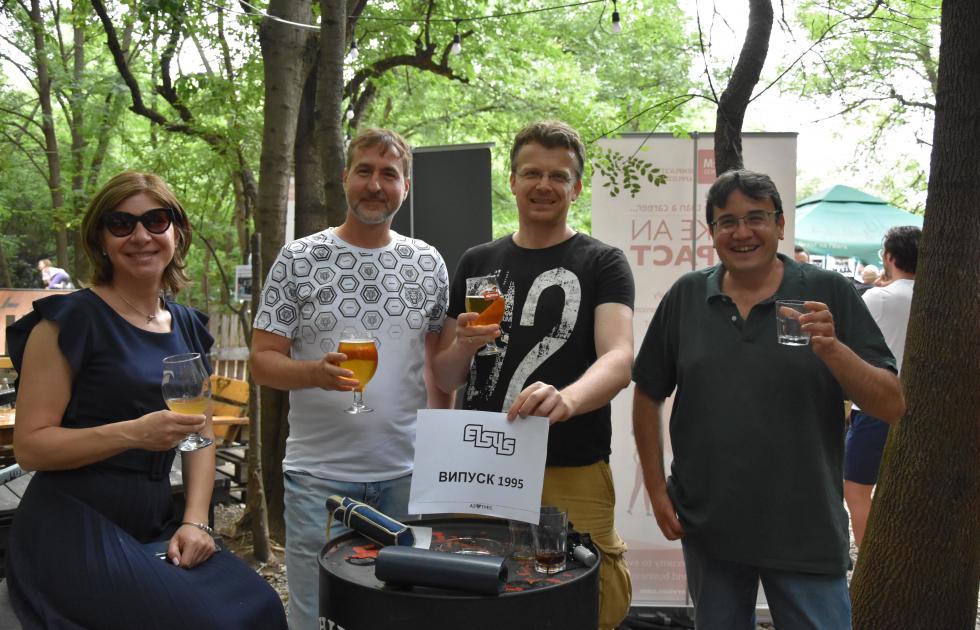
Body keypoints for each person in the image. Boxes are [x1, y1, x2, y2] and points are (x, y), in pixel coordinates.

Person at [5, 171, 286, 629]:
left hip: (156, 521)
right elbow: (31, 448)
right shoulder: (67, 322)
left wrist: (195, 521)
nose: (140, 236)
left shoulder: (188, 325)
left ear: (177, 232)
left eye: (156, 221)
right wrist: (133, 434)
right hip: (73, 524)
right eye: (121, 223)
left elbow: (199, 431)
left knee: (262, 607)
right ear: (100, 239)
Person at [632, 169, 905, 629]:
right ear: (712, 232)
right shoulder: (687, 296)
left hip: (805, 528)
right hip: (711, 526)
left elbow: (891, 405)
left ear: (780, 224)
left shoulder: (826, 291)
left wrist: (834, 351)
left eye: (756, 217)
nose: (742, 232)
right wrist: (657, 489)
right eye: (727, 221)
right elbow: (647, 391)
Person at [432, 120, 635, 630]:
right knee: (479, 599)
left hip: (571, 462)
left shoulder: (603, 262)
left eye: (558, 176)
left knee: (585, 601)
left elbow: (619, 358)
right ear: (513, 181)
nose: (544, 185)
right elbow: (444, 375)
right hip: (480, 464)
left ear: (576, 187)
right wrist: (463, 345)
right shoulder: (477, 261)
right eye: (532, 173)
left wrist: (567, 400)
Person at [250, 128, 452, 630]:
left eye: (389, 174)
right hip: (318, 478)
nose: (375, 185)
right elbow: (261, 361)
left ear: (405, 186)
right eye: (365, 171)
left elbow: (437, 370)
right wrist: (313, 373)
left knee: (400, 613)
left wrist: (436, 455)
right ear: (345, 178)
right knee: (316, 614)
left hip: (405, 475)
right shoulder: (299, 259)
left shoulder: (427, 263)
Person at [845, 226, 920, 548]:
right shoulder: (938, 299)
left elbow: (849, 346)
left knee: (856, 489)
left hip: (875, 407)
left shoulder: (879, 297)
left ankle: (869, 558)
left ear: (889, 257)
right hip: (923, 410)